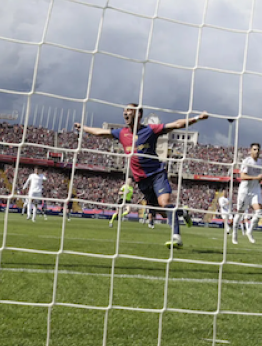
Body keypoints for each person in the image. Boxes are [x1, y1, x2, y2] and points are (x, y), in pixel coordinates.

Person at [76, 104, 208, 248]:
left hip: (156, 174)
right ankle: (183, 211)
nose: (125, 113)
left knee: (165, 203)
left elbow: (176, 124)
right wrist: (83, 127)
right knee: (163, 213)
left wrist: (197, 118)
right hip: (141, 181)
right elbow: (99, 132)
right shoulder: (122, 133)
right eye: (124, 111)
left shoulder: (150, 130)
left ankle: (176, 237)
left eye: (129, 110)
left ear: (138, 114)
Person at [233, 143, 262, 245]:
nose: (256, 151)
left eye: (258, 150)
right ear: (250, 150)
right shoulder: (247, 161)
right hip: (245, 190)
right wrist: (257, 178)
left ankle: (249, 231)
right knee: (240, 213)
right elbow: (242, 176)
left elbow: (258, 176)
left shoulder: (260, 162)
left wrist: (260, 179)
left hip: (255, 189)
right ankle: (234, 234)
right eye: (254, 149)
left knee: (259, 211)